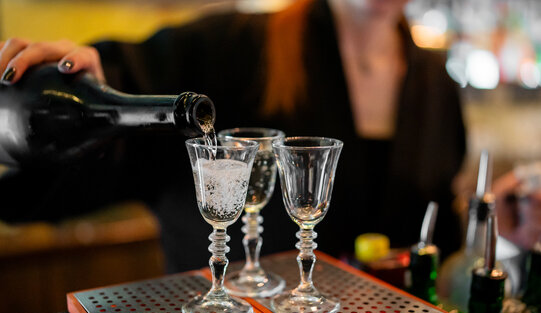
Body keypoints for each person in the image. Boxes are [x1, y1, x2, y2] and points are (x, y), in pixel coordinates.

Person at [0, 0, 466, 273]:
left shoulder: (438, 85)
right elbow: (109, 131)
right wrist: (79, 92)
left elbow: (438, 232)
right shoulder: (233, 45)